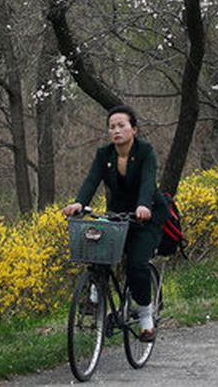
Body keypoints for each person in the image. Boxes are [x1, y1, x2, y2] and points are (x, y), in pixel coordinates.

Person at [62, 104, 168, 342]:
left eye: (121, 125)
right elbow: (91, 180)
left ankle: (145, 317)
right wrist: (79, 203)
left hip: (147, 215)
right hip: (118, 215)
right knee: (96, 246)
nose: (116, 131)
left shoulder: (145, 152)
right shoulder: (105, 154)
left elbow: (148, 182)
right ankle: (94, 294)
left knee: (137, 264)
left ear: (134, 129)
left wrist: (143, 205)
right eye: (112, 127)